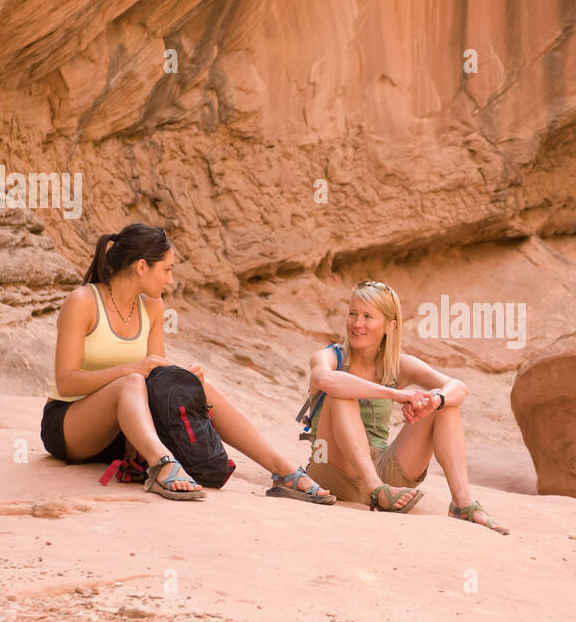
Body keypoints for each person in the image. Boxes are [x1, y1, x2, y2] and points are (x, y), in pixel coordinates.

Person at [41, 223, 335, 504]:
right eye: (167, 270)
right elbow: (66, 380)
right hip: (71, 425)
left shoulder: (152, 306)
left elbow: (155, 379)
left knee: (198, 385)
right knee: (130, 382)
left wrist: (182, 380)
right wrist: (130, 370)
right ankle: (161, 466)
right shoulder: (83, 301)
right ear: (141, 267)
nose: (171, 279)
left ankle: (283, 471)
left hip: (123, 431)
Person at [300, 279, 508, 534]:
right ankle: (375, 488)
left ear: (390, 326)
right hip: (332, 468)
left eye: (368, 317)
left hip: (387, 475)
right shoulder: (329, 357)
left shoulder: (400, 364)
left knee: (442, 403)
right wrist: (395, 395)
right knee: (339, 391)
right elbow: (324, 379)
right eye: (353, 314)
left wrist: (434, 401)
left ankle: (462, 503)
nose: (357, 324)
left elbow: (458, 387)